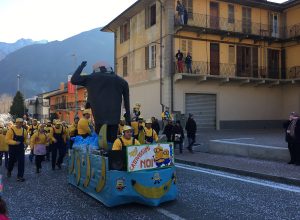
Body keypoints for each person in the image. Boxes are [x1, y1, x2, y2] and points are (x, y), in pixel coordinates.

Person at [71, 61, 131, 144]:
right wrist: (128, 117)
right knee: (113, 142)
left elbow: (74, 80)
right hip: (114, 119)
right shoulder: (121, 81)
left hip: (99, 119)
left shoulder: (91, 78)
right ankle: (113, 155)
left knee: (101, 144)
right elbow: (127, 100)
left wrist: (81, 66)